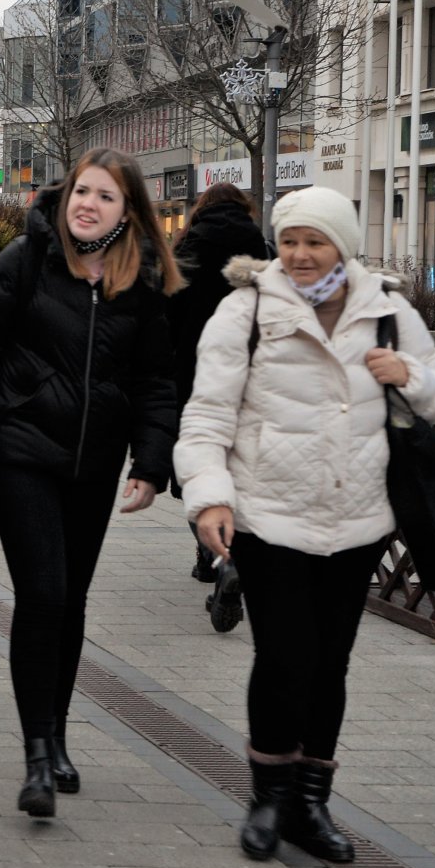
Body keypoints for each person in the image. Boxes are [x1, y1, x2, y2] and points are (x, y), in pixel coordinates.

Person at [176, 186, 435, 864]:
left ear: (344, 245)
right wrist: (210, 496)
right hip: (270, 515)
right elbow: (207, 414)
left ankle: (311, 802)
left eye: (316, 241)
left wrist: (412, 375)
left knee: (330, 663)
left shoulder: (387, 308)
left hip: (358, 519)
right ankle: (268, 798)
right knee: (283, 658)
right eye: (292, 241)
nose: (301, 255)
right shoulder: (244, 310)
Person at [0, 148, 182, 819]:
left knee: (69, 603)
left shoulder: (143, 280)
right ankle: (37, 753)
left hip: (95, 464)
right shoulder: (25, 260)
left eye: (104, 196)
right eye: (81, 191)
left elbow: (158, 382)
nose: (87, 204)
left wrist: (151, 464)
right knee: (42, 594)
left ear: (127, 211)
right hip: (22, 450)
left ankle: (59, 730)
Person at [168, 182, 271, 631]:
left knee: (197, 472)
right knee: (238, 471)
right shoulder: (262, 249)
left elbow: (163, 314)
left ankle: (218, 559)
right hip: (250, 379)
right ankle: (225, 557)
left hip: (190, 379)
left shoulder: (184, 250)